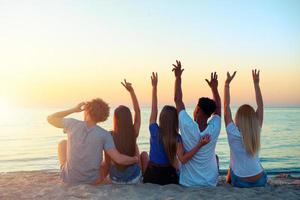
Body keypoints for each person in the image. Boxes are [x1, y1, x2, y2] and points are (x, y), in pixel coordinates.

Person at [141, 72, 211, 185]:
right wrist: (200, 145)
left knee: (145, 156)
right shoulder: (177, 138)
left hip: (151, 176)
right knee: (177, 162)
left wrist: (154, 87)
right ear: (175, 120)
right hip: (167, 177)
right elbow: (183, 159)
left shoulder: (154, 130)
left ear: (161, 118)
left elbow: (154, 109)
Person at [47, 99, 138, 184]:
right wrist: (135, 159)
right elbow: (119, 159)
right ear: (103, 116)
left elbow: (50, 118)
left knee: (62, 144)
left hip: (68, 179)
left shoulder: (71, 124)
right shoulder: (105, 134)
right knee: (103, 163)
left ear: (87, 111)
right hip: (93, 180)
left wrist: (73, 110)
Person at [173, 60, 222, 187]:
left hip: (188, 183)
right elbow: (218, 109)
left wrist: (178, 78)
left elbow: (177, 100)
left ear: (198, 110)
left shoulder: (187, 124)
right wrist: (215, 89)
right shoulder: (215, 127)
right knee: (215, 157)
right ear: (210, 114)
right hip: (210, 182)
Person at [224, 70, 267, 187]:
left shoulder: (232, 132)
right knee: (256, 163)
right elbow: (260, 106)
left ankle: (228, 181)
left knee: (232, 162)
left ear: (238, 118)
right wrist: (256, 84)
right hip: (260, 180)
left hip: (240, 182)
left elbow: (226, 106)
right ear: (253, 118)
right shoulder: (256, 129)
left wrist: (227, 85)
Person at [103, 79, 142, 184]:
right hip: (133, 177)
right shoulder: (134, 132)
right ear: (129, 118)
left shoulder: (110, 135)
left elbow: (107, 162)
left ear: (116, 120)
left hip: (116, 178)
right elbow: (137, 111)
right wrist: (132, 92)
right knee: (138, 149)